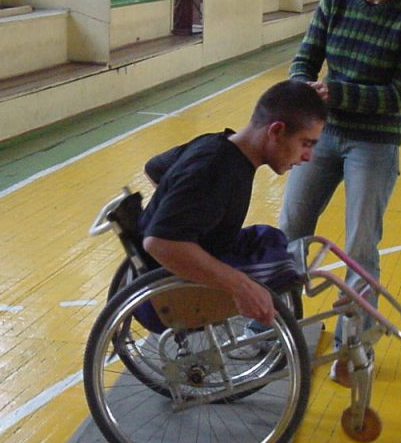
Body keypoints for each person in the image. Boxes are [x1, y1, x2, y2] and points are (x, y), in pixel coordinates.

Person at [279, 0, 401, 342]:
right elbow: (305, 57)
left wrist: (339, 93)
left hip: (374, 143)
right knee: (291, 227)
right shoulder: (336, 1)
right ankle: (277, 324)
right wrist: (302, 85)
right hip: (323, 135)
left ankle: (357, 341)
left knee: (360, 245)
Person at [139, 79, 326, 326]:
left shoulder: (217, 144)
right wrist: (241, 286)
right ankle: (262, 329)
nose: (308, 156)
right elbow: (159, 243)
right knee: (281, 266)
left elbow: (155, 168)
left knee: (272, 239)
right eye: (306, 143)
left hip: (163, 270)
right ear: (276, 131)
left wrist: (183, 206)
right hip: (165, 293)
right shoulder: (214, 170)